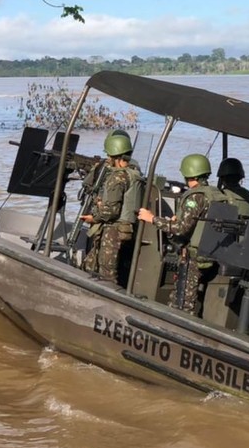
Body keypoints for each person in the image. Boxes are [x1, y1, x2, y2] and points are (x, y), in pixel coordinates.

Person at [138, 153, 223, 316]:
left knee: (182, 303)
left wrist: (152, 218)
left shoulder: (196, 196)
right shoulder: (216, 194)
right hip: (210, 254)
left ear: (188, 174)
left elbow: (180, 229)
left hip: (193, 257)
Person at [80, 132, 142, 284]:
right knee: (104, 265)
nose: (108, 159)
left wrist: (93, 218)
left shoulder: (118, 177)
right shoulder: (134, 173)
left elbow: (111, 210)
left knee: (107, 272)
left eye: (109, 156)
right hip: (125, 228)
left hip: (113, 228)